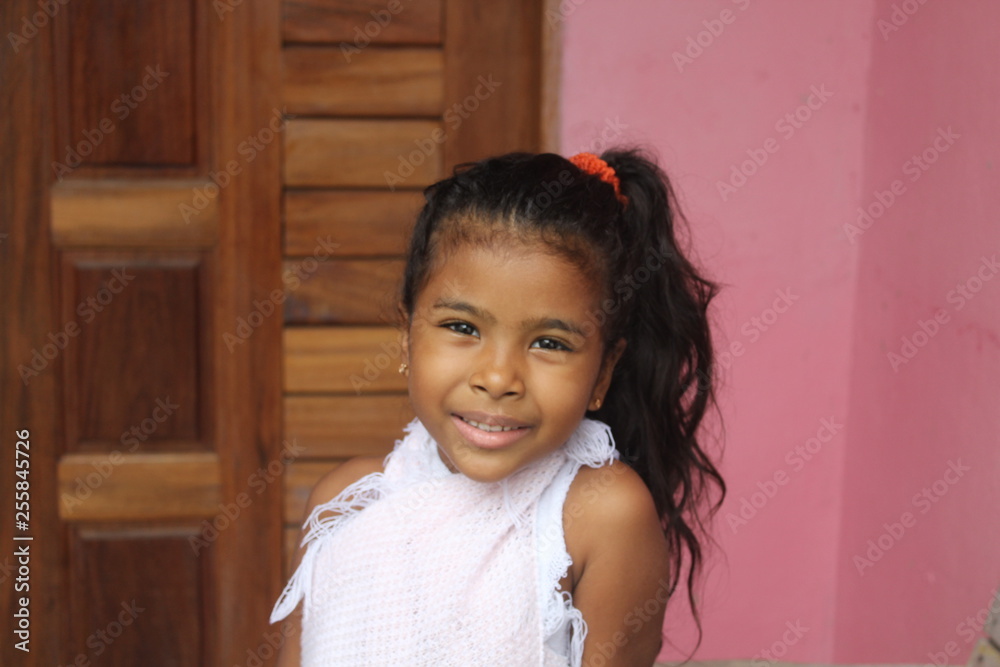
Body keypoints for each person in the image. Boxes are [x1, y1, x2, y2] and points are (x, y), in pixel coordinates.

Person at [271, 149, 725, 666]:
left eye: (550, 343)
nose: (497, 378)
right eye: (462, 328)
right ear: (405, 337)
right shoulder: (344, 503)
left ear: (601, 372)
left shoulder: (601, 515)